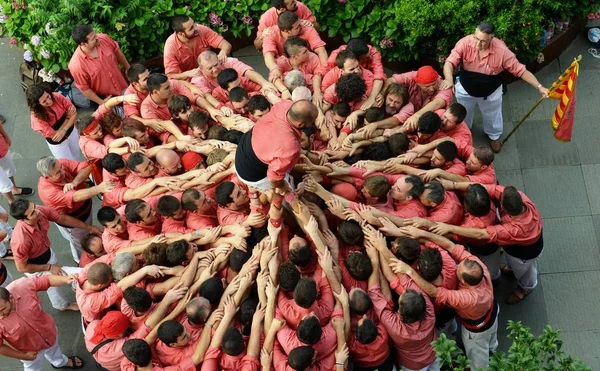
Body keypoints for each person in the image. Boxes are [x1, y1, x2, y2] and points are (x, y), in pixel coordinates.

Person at [391, 227, 497, 371]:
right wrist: (422, 234)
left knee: (477, 356)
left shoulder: (467, 298)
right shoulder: (478, 268)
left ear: (465, 283)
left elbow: (434, 292)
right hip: (492, 310)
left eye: (458, 271)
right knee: (490, 341)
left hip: (477, 328)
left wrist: (409, 271)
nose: (455, 266)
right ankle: (492, 349)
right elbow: (450, 246)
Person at [443, 22, 549, 152]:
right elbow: (449, 62)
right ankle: (464, 131)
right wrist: (449, 79)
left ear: (492, 38)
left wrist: (540, 87)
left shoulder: (502, 51)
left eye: (483, 41)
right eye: (476, 38)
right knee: (463, 114)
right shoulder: (464, 43)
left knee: (493, 116)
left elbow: (521, 71)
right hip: (465, 89)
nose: (477, 44)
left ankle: (494, 136)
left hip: (490, 92)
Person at [9, 199, 98, 311]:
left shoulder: (39, 210)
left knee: (62, 275)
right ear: (23, 220)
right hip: (36, 267)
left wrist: (88, 227)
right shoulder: (20, 241)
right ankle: (62, 305)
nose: (38, 212)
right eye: (32, 213)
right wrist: (49, 268)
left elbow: (62, 218)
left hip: (47, 253)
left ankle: (73, 286)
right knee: (53, 288)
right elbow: (21, 267)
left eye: (34, 207)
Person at [0, 275, 85, 370]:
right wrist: (24, 356)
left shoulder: (22, 285)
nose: (1, 315)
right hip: (29, 351)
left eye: (2, 309)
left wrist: (65, 279)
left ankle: (60, 362)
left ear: (11, 298)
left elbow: (46, 280)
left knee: (54, 350)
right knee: (32, 368)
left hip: (49, 332)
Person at [36, 156, 110, 263]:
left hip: (84, 212)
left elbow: (86, 167)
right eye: (57, 173)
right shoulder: (48, 192)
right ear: (46, 177)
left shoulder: (60, 163)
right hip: (73, 223)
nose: (63, 172)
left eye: (61, 168)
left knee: (84, 237)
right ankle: (80, 260)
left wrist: (74, 183)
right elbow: (76, 196)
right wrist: (99, 188)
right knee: (80, 243)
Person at [235, 100, 318, 193]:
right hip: (251, 173)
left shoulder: (285, 104)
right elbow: (273, 179)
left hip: (246, 143)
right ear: (301, 124)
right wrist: (283, 187)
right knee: (285, 190)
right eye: (311, 122)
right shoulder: (290, 147)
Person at [68, 24, 130, 109]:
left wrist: (128, 68)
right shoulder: (76, 65)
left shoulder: (104, 38)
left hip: (124, 86)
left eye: (95, 34)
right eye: (93, 38)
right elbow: (85, 89)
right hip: (109, 98)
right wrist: (101, 102)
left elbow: (117, 51)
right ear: (83, 44)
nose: (97, 37)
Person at [164, 15, 232, 80]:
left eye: (194, 24)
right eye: (191, 28)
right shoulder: (170, 46)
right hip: (191, 80)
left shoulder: (201, 29)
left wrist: (223, 52)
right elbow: (170, 75)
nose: (196, 28)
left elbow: (226, 45)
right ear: (181, 34)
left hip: (212, 72)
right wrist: (188, 74)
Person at [26, 84, 81, 161]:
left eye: (47, 96)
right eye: (44, 101)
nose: (49, 101)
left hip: (71, 132)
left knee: (76, 154)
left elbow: (74, 113)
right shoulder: (36, 117)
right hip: (58, 143)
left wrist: (62, 130)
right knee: (67, 163)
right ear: (37, 105)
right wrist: (68, 118)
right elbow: (55, 135)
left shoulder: (56, 96)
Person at [0, 114, 34, 203]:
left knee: (9, 168)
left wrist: (5, 135)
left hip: (1, 147)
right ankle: (12, 202)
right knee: (2, 182)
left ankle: (14, 189)